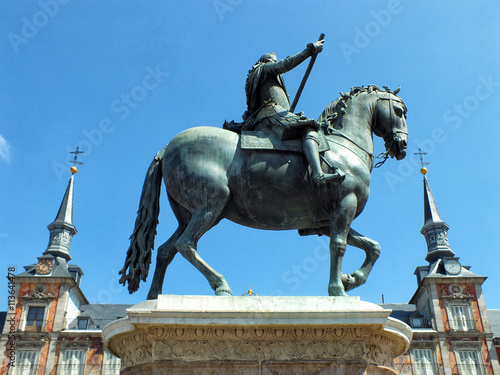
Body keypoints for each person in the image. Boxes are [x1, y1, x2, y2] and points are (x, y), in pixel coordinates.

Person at [240, 40, 344, 184]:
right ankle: (318, 174)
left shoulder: (259, 78)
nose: (275, 63)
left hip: (271, 115)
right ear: (266, 61)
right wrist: (309, 51)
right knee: (309, 129)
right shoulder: (264, 69)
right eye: (273, 61)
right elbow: (285, 65)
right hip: (271, 114)